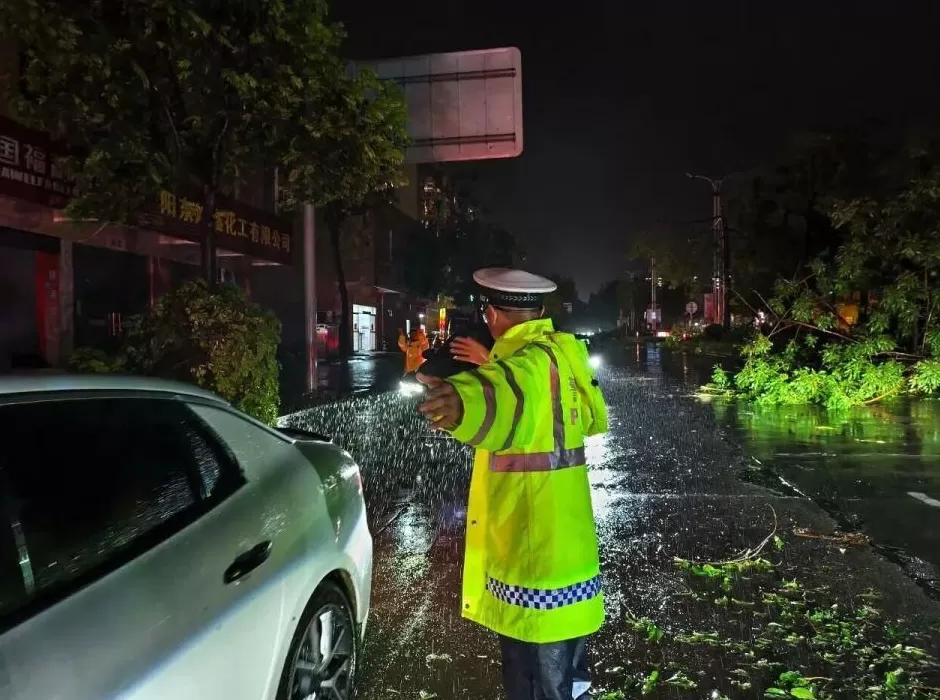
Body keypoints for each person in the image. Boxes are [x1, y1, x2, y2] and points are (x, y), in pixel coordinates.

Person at [417, 268, 608, 700]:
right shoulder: (558, 351)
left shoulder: (525, 364)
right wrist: (485, 367)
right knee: (565, 669)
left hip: (532, 552)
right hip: (567, 547)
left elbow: (504, 394)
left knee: (535, 676)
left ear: (493, 313)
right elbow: (585, 414)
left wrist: (460, 402)